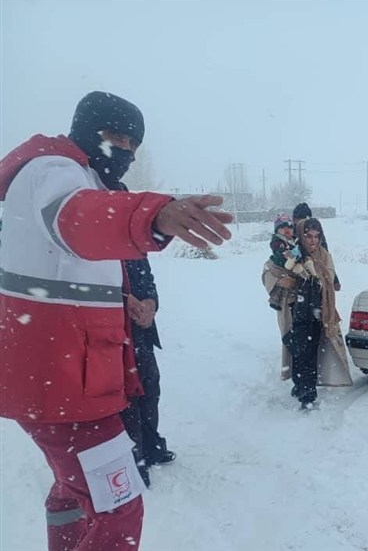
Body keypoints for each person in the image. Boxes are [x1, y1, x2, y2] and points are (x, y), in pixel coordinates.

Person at [0, 90, 232, 551]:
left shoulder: (81, 175)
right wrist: (154, 214)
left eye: (132, 143)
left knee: (73, 489)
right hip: (63, 385)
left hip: (67, 379)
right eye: (113, 135)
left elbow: (76, 272)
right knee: (119, 505)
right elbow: (75, 218)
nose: (123, 150)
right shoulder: (54, 169)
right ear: (85, 128)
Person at [262, 218, 352, 409]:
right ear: (300, 236)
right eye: (308, 236)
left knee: (309, 351)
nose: (313, 241)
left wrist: (316, 278)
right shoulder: (290, 253)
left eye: (317, 237)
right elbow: (269, 270)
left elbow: (328, 275)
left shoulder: (323, 255)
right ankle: (303, 390)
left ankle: (306, 390)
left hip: (319, 309)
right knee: (297, 349)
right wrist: (281, 282)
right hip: (295, 309)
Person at [119, 251, 175, 489]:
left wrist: (150, 305)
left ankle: (152, 447)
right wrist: (121, 298)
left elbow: (148, 281)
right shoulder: (96, 247)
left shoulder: (133, 247)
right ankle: (134, 461)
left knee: (150, 391)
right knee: (125, 399)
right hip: (113, 336)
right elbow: (82, 289)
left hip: (141, 334)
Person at [267, 213, 308, 310]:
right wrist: (287, 255)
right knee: (284, 285)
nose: (287, 230)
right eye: (282, 227)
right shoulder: (278, 241)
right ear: (277, 230)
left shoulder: (296, 241)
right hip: (280, 266)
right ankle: (275, 300)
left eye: (289, 227)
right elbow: (281, 254)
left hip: (293, 267)